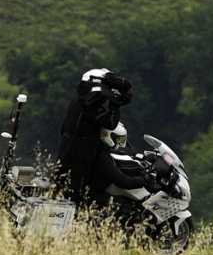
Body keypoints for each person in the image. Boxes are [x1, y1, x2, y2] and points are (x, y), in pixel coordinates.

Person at [55, 68, 152, 205]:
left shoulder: (77, 106)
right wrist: (146, 180)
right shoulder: (88, 110)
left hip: (71, 177)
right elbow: (123, 181)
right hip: (91, 202)